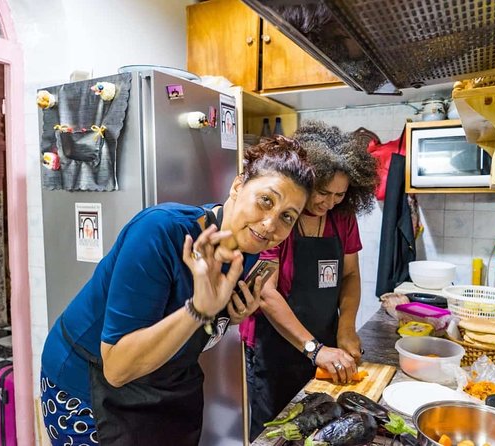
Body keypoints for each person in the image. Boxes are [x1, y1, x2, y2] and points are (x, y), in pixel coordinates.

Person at [40, 135, 315, 446]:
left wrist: (229, 317)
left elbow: (195, 328)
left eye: (286, 218)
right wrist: (198, 311)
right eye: (266, 200)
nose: (269, 224)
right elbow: (116, 369)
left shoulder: (247, 247)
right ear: (238, 187)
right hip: (88, 385)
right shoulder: (160, 231)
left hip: (163, 385)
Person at [241, 121, 379, 440]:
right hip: (274, 348)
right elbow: (266, 292)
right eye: (322, 192)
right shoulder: (280, 218)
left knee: (323, 431)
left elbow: (350, 275)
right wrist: (313, 349)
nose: (327, 203)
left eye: (339, 195)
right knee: (276, 432)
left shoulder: (342, 217)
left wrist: (345, 330)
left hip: (324, 341)